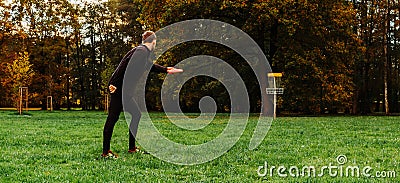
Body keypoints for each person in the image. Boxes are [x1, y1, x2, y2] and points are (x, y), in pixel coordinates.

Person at [102, 31, 183, 159]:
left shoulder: (141, 51)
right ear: (154, 42)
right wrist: (113, 84)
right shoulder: (141, 52)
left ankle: (132, 148)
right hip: (120, 91)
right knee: (112, 119)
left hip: (124, 92)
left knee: (136, 114)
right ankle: (106, 153)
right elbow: (124, 67)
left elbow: (148, 66)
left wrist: (166, 69)